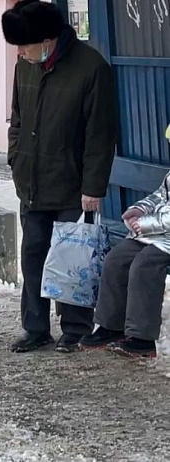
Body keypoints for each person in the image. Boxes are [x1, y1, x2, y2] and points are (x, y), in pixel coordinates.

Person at [2, 0, 117, 353]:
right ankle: (35, 327)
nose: (20, 52)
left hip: (72, 185)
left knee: (73, 260)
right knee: (33, 255)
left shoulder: (91, 68)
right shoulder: (25, 68)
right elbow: (17, 120)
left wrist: (93, 187)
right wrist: (16, 158)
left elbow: (101, 134)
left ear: (47, 40)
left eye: (25, 44)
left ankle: (75, 329)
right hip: (32, 183)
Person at [79, 125, 170, 359]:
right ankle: (111, 325)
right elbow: (159, 196)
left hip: (163, 238)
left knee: (144, 266)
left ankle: (142, 337)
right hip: (155, 234)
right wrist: (138, 209)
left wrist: (148, 224)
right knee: (116, 259)